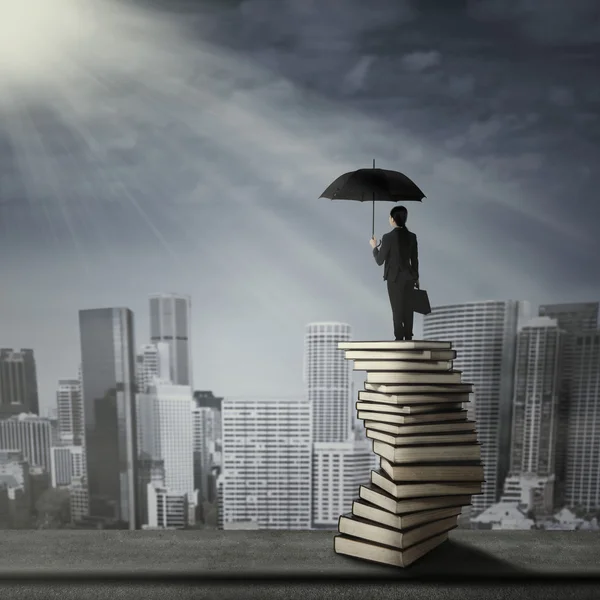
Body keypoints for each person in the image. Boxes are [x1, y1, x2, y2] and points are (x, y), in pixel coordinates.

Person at [369, 205, 419, 341]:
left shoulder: (388, 237)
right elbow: (415, 260)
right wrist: (416, 277)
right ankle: (408, 336)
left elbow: (380, 260)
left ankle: (399, 337)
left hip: (394, 278)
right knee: (408, 308)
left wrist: (374, 247)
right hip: (409, 277)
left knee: (397, 309)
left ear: (392, 219)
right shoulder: (412, 237)